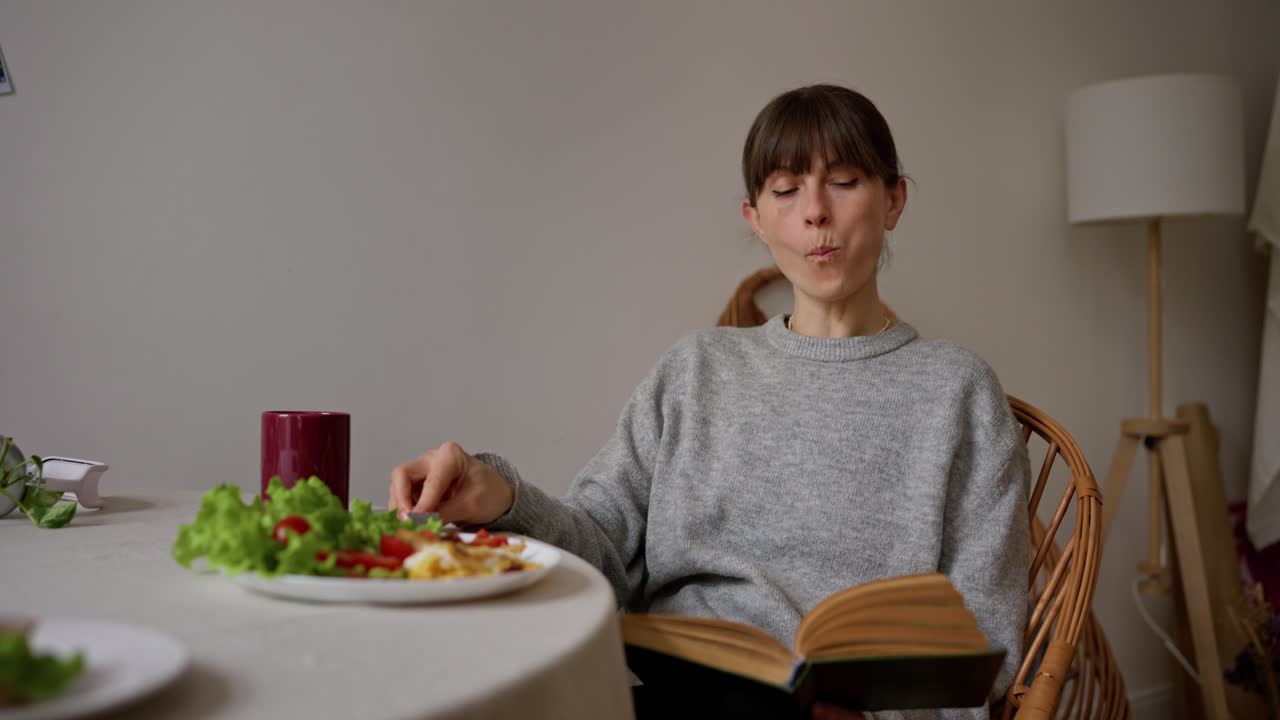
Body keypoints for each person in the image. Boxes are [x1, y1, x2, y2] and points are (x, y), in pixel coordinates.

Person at [388, 84, 1031, 720]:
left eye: (843, 181)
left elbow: (985, 642)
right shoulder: (697, 370)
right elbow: (601, 558)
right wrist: (499, 495)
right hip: (674, 690)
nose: (815, 213)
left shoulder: (958, 391)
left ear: (893, 200)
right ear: (755, 218)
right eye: (785, 190)